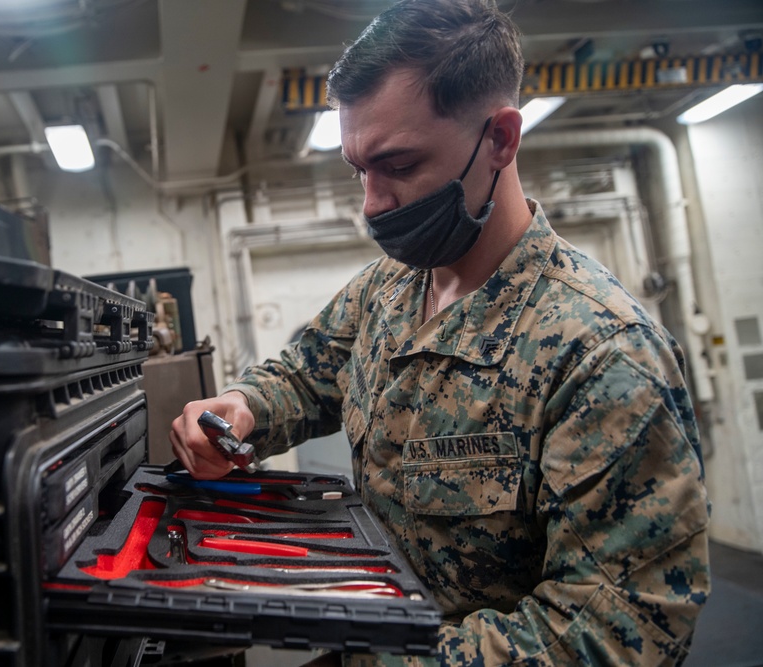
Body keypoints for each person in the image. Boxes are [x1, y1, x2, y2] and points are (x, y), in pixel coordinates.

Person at [170, 0, 711, 664]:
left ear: (500, 140)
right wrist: (243, 408)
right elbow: (305, 377)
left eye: (398, 166)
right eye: (358, 170)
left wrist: (383, 653)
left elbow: (616, 629)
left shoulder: (601, 354)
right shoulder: (387, 289)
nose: (371, 202)